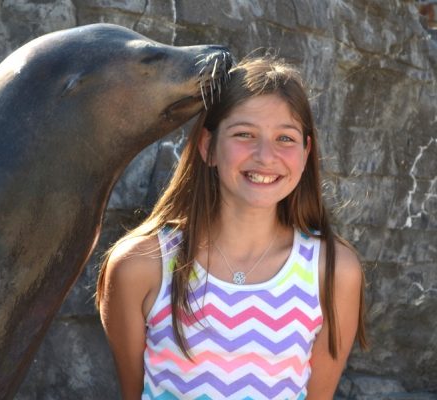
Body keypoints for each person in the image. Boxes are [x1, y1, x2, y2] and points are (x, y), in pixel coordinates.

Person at [95, 56, 367, 400]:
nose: (265, 155)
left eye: (285, 138)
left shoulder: (333, 271)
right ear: (208, 147)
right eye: (244, 134)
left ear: (305, 151)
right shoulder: (140, 265)